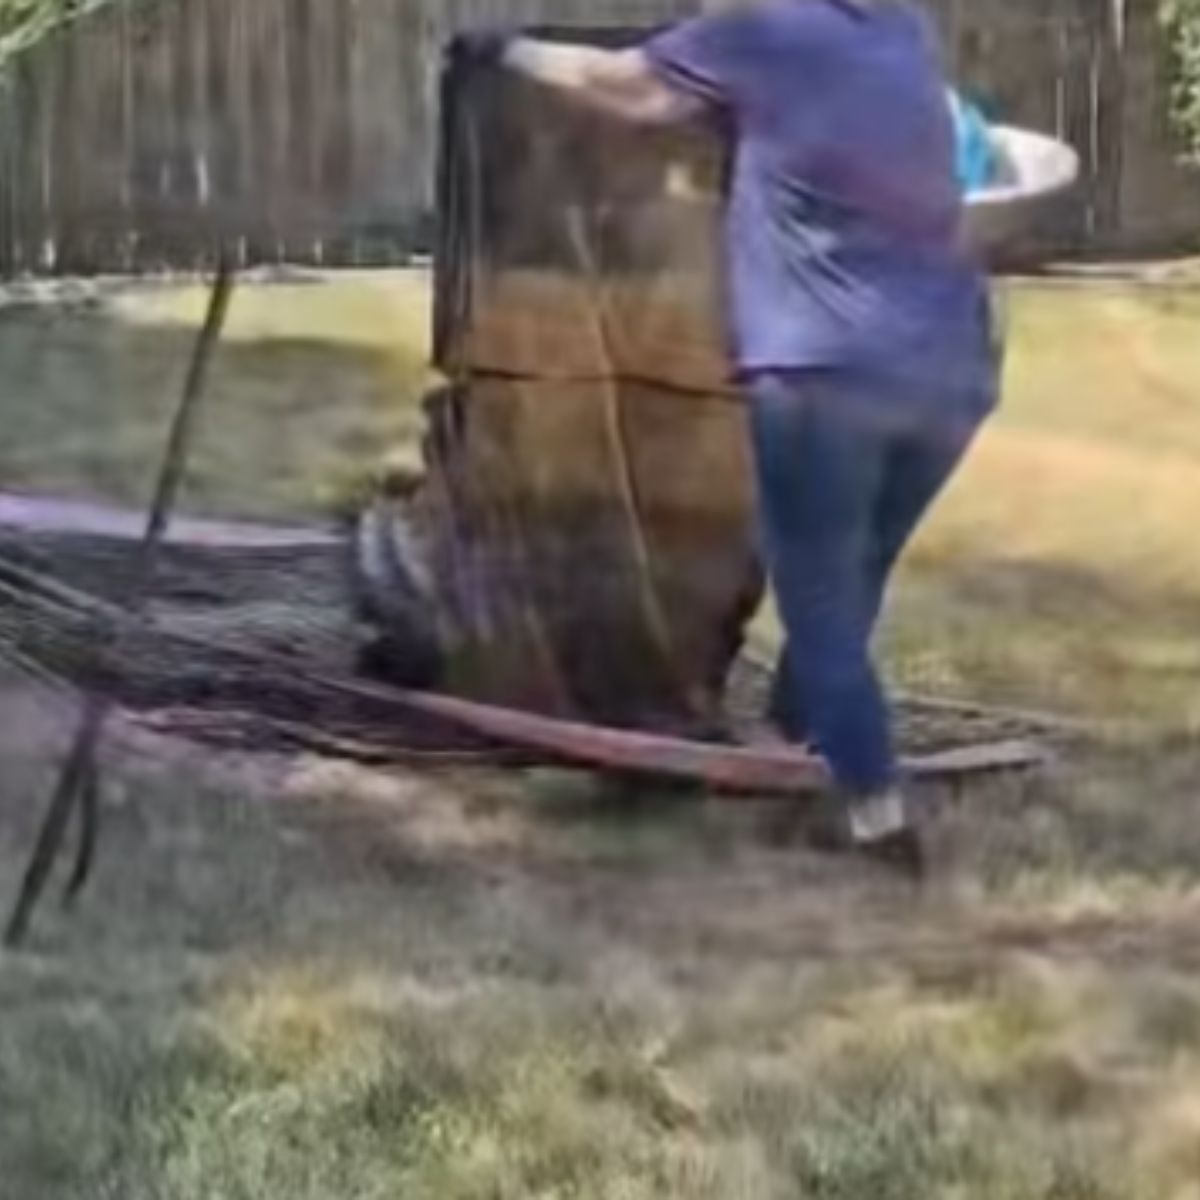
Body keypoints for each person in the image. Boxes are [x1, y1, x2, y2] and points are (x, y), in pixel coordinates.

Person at [454, 0, 1000, 874]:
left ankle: (878, 823)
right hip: (952, 374)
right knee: (853, 573)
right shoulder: (902, 26)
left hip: (827, 375)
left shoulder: (769, 31)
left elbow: (626, 87)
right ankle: (798, 740)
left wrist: (508, 51)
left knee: (820, 606)